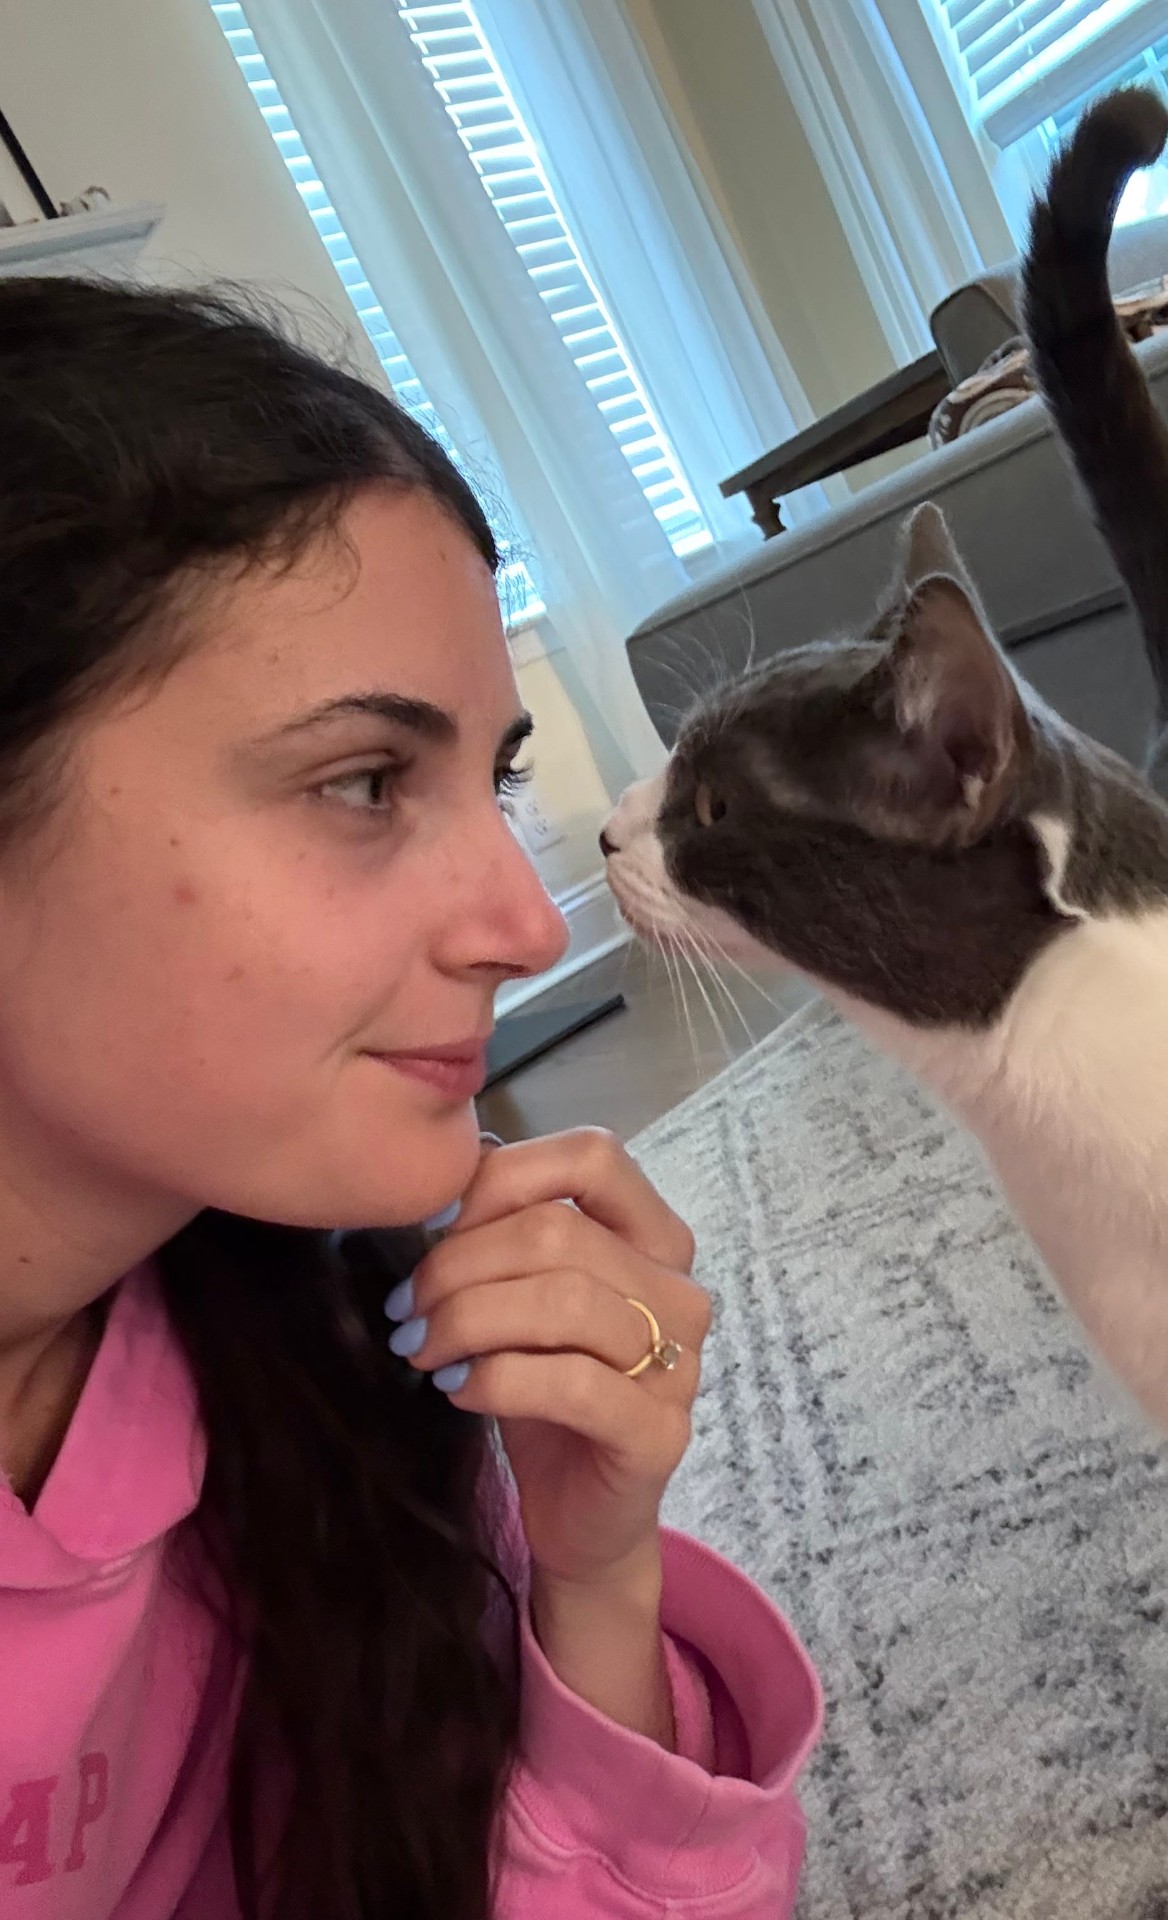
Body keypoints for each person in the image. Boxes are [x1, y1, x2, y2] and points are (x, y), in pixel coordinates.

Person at [0, 276, 822, 1920]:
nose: (527, 923)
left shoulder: (328, 1351)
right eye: (367, 781)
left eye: (495, 776)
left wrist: (589, 1578)